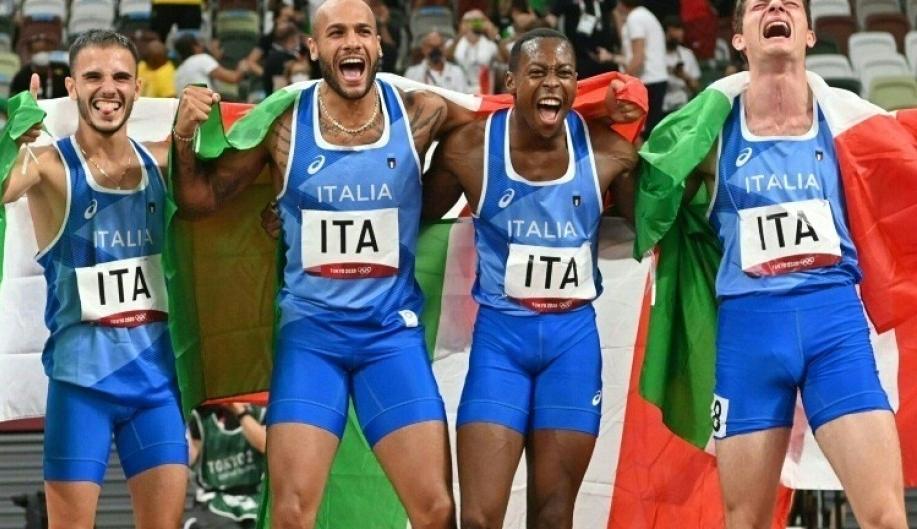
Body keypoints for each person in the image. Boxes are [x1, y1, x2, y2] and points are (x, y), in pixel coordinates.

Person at [172, 0, 481, 526]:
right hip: (312, 339)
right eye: (337, 33)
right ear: (315, 48)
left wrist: (431, 197)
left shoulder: (421, 112)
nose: (352, 41)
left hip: (390, 337)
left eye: (363, 31)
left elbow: (492, 126)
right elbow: (200, 200)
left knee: (436, 510)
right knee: (293, 514)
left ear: (379, 44)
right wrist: (184, 137)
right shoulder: (284, 123)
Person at [670, 1, 909, 527]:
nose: (776, 5)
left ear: (808, 33)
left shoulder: (849, 126)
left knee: (887, 518)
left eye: (790, 2)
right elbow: (651, 200)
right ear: (738, 38)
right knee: (747, 523)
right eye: (759, 3)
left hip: (835, 329)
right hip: (749, 335)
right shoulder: (710, 135)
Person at [421, 28, 638, 529]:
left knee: (554, 518)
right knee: (479, 519)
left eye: (564, 73)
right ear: (511, 82)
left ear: (577, 83)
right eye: (537, 72)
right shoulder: (469, 149)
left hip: (572, 346)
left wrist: (638, 132)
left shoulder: (609, 153)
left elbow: (656, 222)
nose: (551, 83)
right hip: (501, 344)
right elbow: (407, 212)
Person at [0, 30, 188, 528]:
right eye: (94, 76)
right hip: (82, 387)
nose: (109, 88)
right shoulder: (47, 166)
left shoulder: (164, 161)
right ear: (72, 87)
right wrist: (12, 140)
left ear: (137, 88)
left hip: (155, 386)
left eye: (121, 76)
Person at [184, 403, 267, 529]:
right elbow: (189, 459)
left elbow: (266, 446)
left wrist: (239, 410)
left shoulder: (259, 411)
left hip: (254, 495)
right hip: (214, 497)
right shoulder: (201, 417)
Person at [598, 0, 667, 137]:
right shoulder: (644, 15)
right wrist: (611, 57)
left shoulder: (635, 18)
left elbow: (638, 58)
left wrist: (624, 83)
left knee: (641, 132)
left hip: (648, 81)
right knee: (645, 131)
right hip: (655, 79)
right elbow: (632, 56)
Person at [448, 9, 504, 94]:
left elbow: (505, 60)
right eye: (470, 21)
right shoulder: (456, 43)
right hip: (461, 92)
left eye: (479, 20)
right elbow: (447, 58)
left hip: (485, 92)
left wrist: (494, 36)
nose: (475, 23)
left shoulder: (490, 44)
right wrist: (460, 33)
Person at [173, 34, 248, 96]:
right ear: (195, 47)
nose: (202, 46)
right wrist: (242, 67)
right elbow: (233, 78)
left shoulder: (178, 71)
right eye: (199, 44)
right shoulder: (201, 58)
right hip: (205, 107)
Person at [405, 30, 469, 93]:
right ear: (424, 48)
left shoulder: (457, 72)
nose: (436, 51)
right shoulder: (412, 73)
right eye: (431, 47)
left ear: (444, 47)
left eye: (439, 46)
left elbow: (463, 96)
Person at [662, 16, 700, 113]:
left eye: (679, 31)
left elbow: (696, 86)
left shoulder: (687, 54)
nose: (677, 35)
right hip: (662, 103)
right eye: (672, 33)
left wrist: (683, 76)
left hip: (683, 103)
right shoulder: (656, 54)